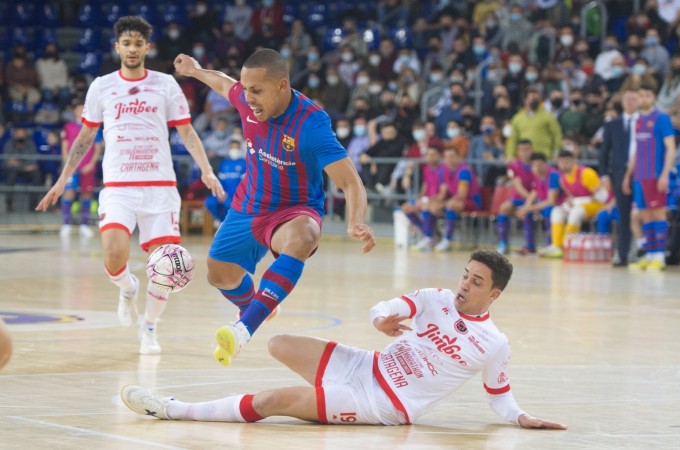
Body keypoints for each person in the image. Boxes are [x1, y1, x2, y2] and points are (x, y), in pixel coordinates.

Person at [121, 250, 567, 431]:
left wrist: (521, 418)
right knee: (279, 343)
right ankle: (321, 404)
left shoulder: (494, 343)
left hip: (383, 404)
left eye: (476, 282)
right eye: (465, 276)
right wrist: (382, 319)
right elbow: (385, 306)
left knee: (272, 400)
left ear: (495, 294)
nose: (464, 286)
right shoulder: (437, 299)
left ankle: (172, 408)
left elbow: (500, 398)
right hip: (365, 365)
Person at [172, 48, 375, 366]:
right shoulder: (246, 97)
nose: (248, 97)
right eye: (247, 89)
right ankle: (259, 303)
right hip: (249, 205)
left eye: (257, 90)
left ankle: (244, 329)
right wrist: (196, 70)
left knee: (303, 237)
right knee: (219, 274)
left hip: (293, 211)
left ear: (282, 86)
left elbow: (350, 181)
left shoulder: (312, 123)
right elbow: (226, 85)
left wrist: (355, 220)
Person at [36, 16, 225, 355]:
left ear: (147, 47)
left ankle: (149, 328)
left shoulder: (166, 84)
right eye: (127, 43)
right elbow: (85, 136)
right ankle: (127, 289)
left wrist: (206, 170)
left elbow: (186, 131)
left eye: (139, 43)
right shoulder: (102, 86)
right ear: (117, 47)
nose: (133, 48)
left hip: (160, 187)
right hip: (120, 185)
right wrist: (64, 178)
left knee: (165, 265)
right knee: (112, 255)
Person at [623, 83, 677, 271]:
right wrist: (628, 175)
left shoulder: (661, 119)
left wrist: (664, 174)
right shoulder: (638, 120)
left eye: (646, 95)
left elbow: (671, 148)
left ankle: (660, 256)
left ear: (653, 97)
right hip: (640, 176)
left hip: (655, 174)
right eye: (640, 96)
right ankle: (649, 254)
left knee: (658, 213)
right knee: (645, 215)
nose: (643, 99)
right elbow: (637, 150)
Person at [539, 150, 607, 258]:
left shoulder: (586, 173)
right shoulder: (563, 179)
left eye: (567, 161)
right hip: (580, 204)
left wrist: (577, 201)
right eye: (561, 162)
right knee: (557, 211)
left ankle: (567, 245)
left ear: (574, 160)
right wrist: (571, 201)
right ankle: (556, 246)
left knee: (576, 212)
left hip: (597, 206)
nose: (564, 165)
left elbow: (603, 197)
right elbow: (572, 196)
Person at [599, 88, 639, 266]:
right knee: (623, 214)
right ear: (622, 102)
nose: (630, 102)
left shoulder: (645, 122)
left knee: (642, 213)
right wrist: (604, 175)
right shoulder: (612, 124)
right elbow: (604, 153)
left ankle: (644, 251)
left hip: (641, 174)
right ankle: (622, 254)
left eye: (633, 99)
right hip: (619, 175)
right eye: (627, 99)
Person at [60, 102, 100, 238]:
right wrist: (69, 165)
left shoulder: (94, 126)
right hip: (73, 167)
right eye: (79, 109)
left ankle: (84, 225)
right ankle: (66, 225)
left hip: (88, 167)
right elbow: (64, 146)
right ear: (75, 111)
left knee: (87, 194)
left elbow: (98, 147)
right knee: (69, 192)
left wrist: (92, 164)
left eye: (84, 109)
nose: (81, 111)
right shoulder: (69, 127)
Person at [512, 152, 559, 255]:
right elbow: (534, 193)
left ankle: (551, 245)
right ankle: (530, 247)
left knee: (548, 211)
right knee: (527, 213)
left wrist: (531, 207)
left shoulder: (553, 175)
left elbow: (551, 200)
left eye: (539, 165)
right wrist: (526, 208)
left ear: (545, 164)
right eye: (534, 165)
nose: (537, 168)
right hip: (543, 204)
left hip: (557, 205)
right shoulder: (537, 176)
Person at [495, 140, 534, 255]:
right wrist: (529, 200)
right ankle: (503, 243)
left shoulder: (536, 163)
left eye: (527, 150)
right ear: (518, 152)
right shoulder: (514, 165)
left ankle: (530, 246)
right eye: (522, 150)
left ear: (531, 150)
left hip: (536, 197)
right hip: (520, 197)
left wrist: (532, 202)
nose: (525, 153)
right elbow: (518, 186)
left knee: (526, 211)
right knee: (504, 208)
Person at [402, 147, 444, 245]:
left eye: (433, 155)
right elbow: (425, 187)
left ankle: (429, 237)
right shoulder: (426, 169)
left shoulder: (443, 170)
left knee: (426, 206)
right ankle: (427, 234)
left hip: (437, 200)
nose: (430, 157)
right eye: (428, 155)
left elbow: (443, 193)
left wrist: (427, 200)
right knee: (406, 208)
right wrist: (419, 199)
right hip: (427, 199)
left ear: (439, 156)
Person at [205, 140, 247, 224]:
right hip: (224, 192)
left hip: (237, 194)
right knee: (209, 202)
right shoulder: (224, 163)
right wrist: (221, 193)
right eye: (232, 148)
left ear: (240, 149)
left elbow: (245, 184)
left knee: (228, 203)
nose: (234, 150)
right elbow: (221, 181)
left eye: (236, 148)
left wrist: (235, 194)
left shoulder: (244, 163)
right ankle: (221, 220)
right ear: (229, 149)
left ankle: (227, 223)